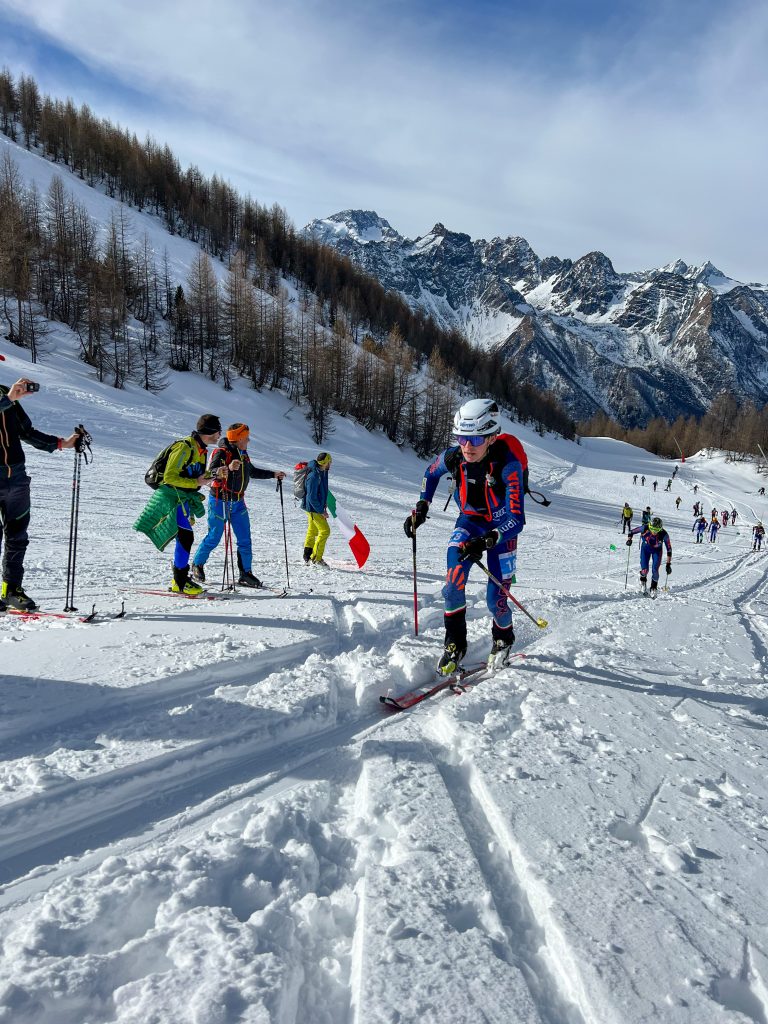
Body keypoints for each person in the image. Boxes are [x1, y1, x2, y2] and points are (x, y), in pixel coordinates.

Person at [404, 398, 525, 674]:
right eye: (461, 437)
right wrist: (423, 506)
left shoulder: (509, 465)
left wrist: (487, 540)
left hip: (501, 529)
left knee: (496, 598)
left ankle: (504, 638)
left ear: (492, 437)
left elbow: (516, 519)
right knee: (453, 579)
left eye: (475, 439)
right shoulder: (454, 456)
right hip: (469, 522)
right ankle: (455, 643)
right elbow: (430, 473)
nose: (467, 446)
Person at [0, 375, 82, 611]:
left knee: (17, 537)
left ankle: (11, 590)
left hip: (16, 477)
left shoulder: (5, 392)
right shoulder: (6, 396)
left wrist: (61, 444)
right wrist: (8, 400)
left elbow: (25, 431)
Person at [133, 414, 222, 594]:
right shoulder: (185, 447)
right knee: (185, 538)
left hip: (182, 498)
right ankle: (180, 583)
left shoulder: (200, 449)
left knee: (184, 537)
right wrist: (196, 483)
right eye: (218, 430)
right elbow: (170, 476)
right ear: (210, 431)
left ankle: (179, 581)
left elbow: (196, 477)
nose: (220, 434)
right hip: (172, 497)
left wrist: (214, 474)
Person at [191, 423, 286, 587]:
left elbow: (251, 471)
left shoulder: (243, 453)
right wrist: (227, 467)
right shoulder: (221, 452)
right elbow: (211, 473)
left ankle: (245, 573)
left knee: (244, 539)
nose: (248, 440)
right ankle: (197, 565)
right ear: (238, 439)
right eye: (246, 438)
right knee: (214, 536)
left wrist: (273, 474)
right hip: (220, 500)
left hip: (238, 502)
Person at [626, 515, 672, 595]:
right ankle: (642, 580)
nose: (654, 532)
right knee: (645, 570)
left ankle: (653, 587)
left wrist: (668, 564)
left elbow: (669, 549)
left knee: (655, 570)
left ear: (660, 529)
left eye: (656, 530)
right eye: (652, 529)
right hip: (645, 549)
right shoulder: (645, 528)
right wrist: (629, 540)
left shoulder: (664, 534)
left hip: (657, 551)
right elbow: (631, 532)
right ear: (650, 526)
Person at [301, 452, 332, 567]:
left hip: (315, 507)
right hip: (313, 508)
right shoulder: (314, 476)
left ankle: (307, 554)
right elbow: (311, 497)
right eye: (329, 462)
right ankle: (316, 558)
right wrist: (321, 510)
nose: (331, 464)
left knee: (312, 530)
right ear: (325, 463)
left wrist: (324, 503)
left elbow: (321, 490)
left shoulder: (322, 472)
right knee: (325, 531)